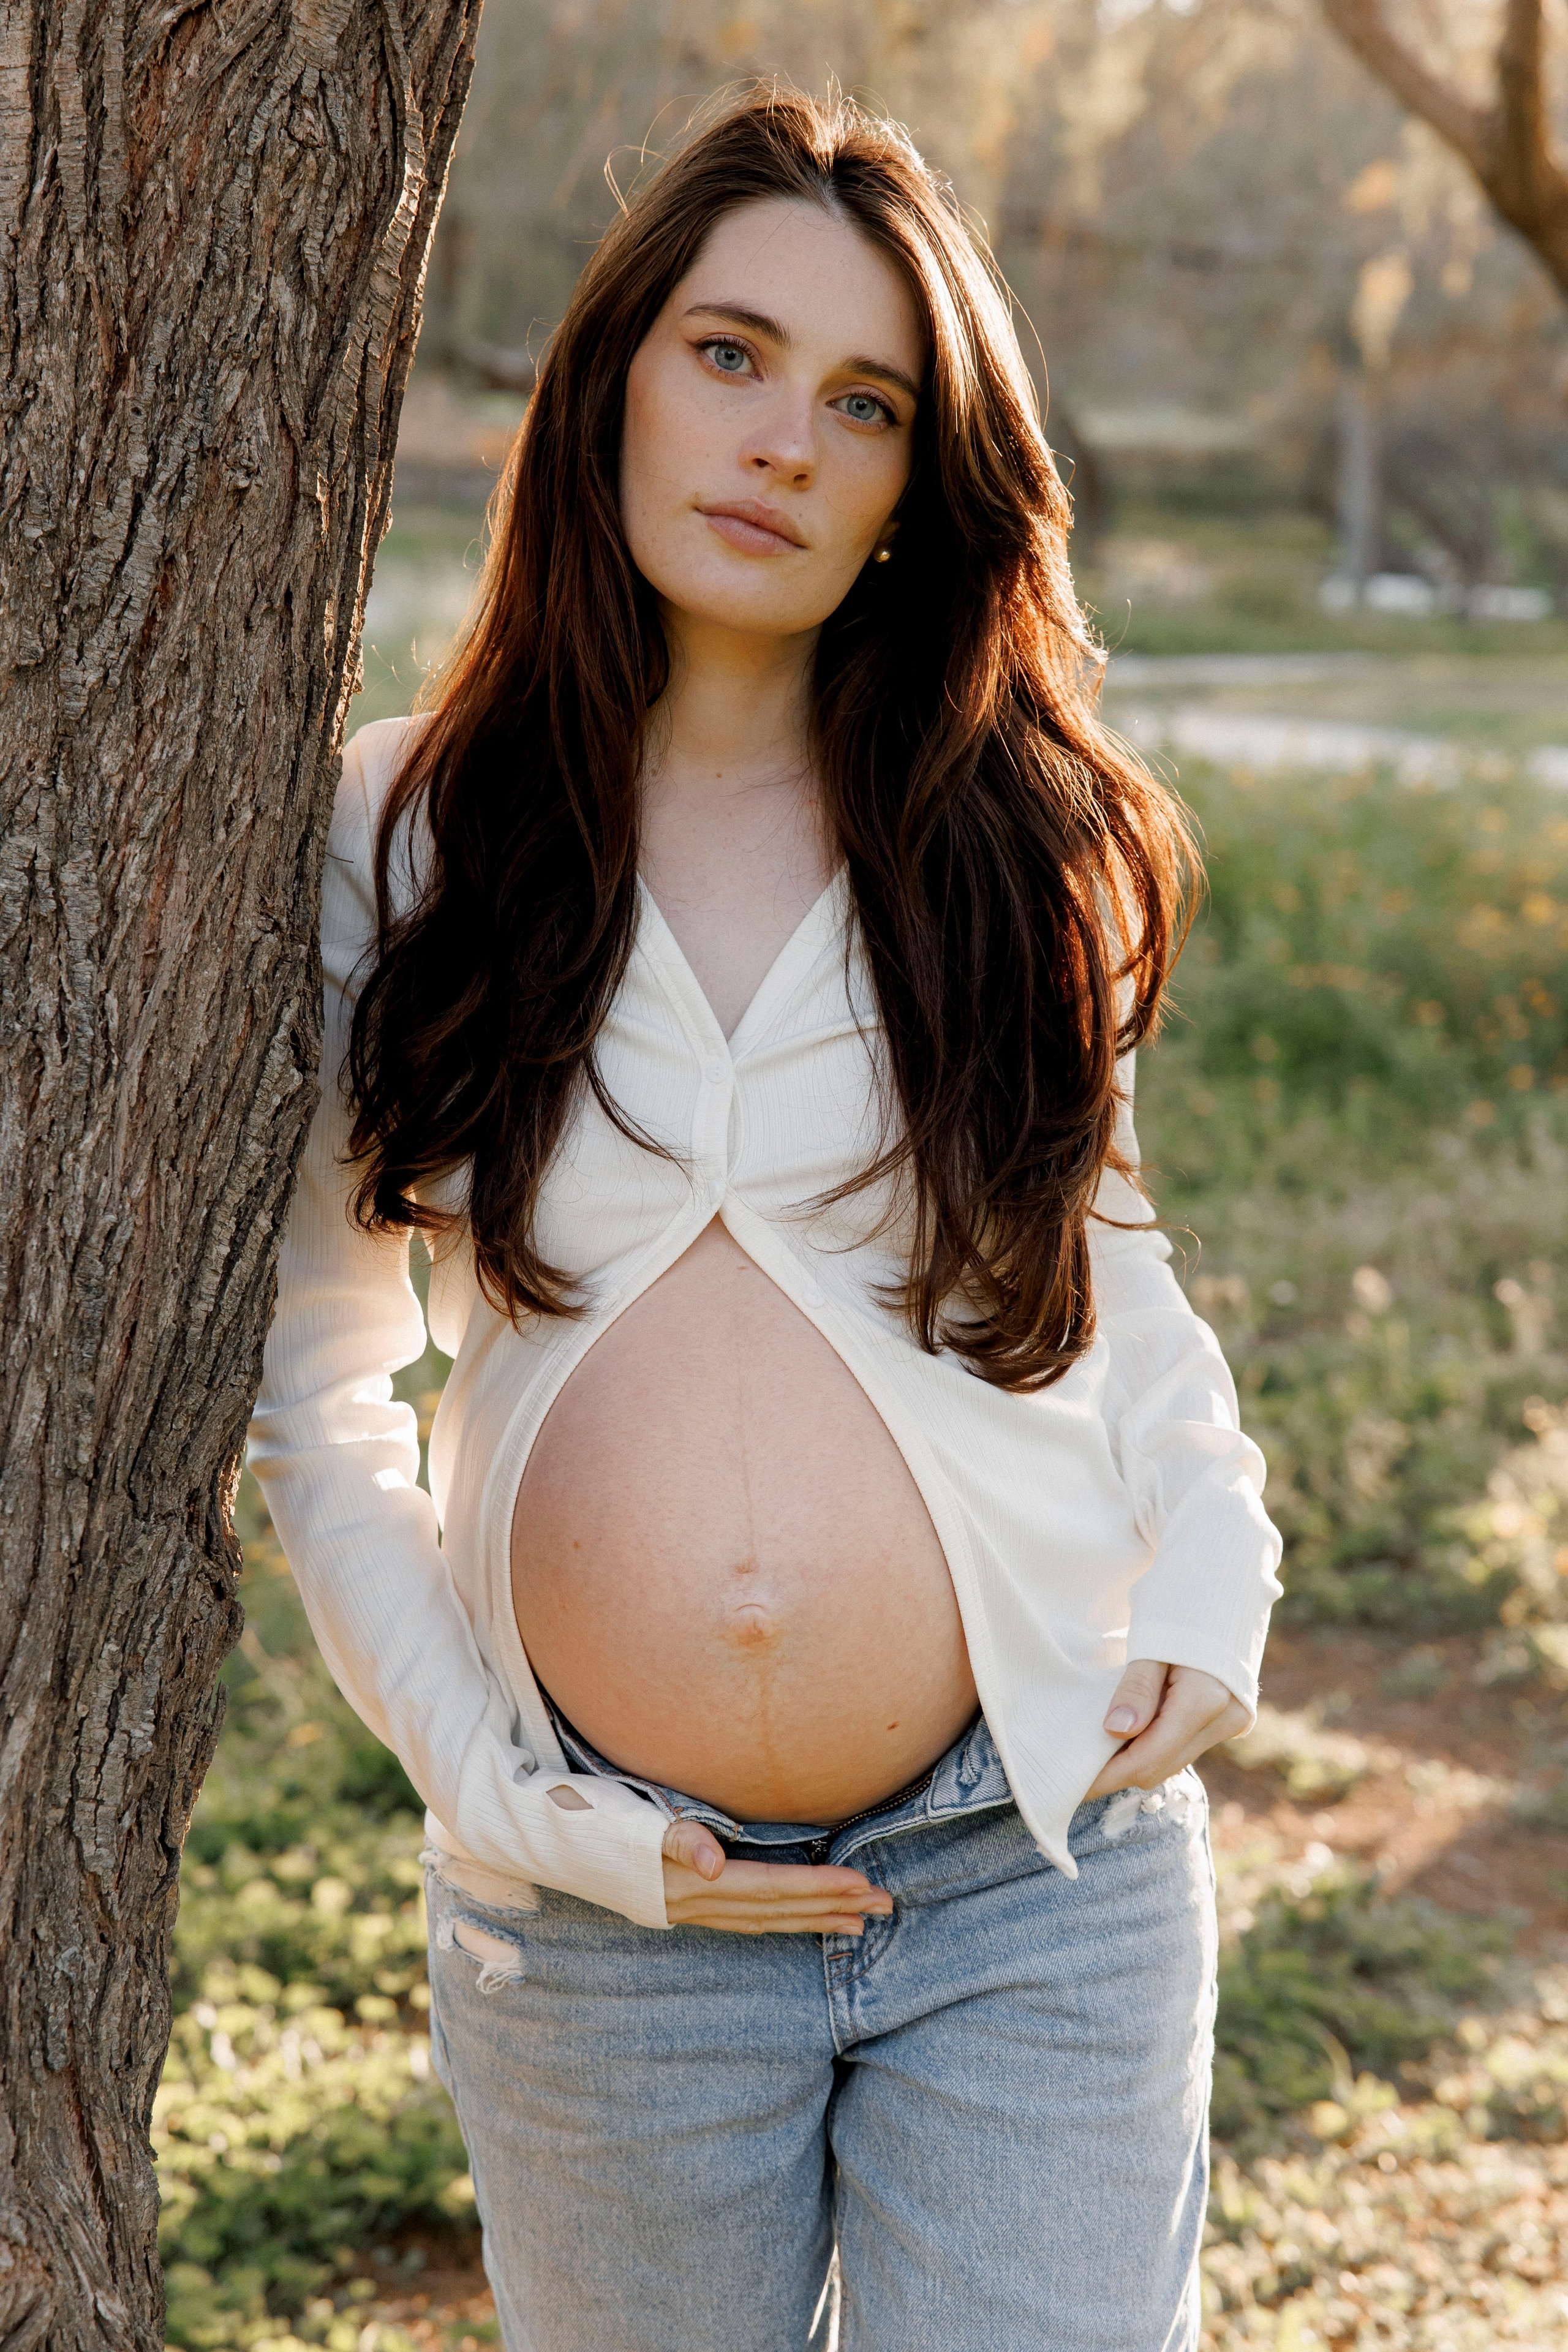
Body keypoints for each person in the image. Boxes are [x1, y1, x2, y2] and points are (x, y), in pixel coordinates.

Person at [247, 85, 1283, 2352]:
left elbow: (1106, 1263)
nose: (782, 441)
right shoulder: (400, 834)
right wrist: (508, 1802)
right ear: (613, 378)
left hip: (1036, 1867)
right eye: (729, 354)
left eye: (864, 401)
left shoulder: (1017, 841)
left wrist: (1220, 1560)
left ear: (922, 486)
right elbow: (321, 1403)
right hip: (613, 1928)